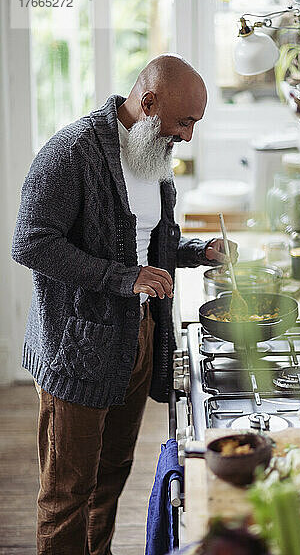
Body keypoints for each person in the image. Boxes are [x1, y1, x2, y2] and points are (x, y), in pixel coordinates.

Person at [11, 54, 238, 555]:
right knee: (67, 495)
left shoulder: (151, 156)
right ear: (148, 101)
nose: (188, 136)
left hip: (137, 338)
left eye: (195, 124)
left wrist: (199, 253)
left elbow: (142, 247)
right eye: (184, 122)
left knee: (111, 478)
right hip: (77, 349)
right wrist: (123, 278)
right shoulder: (72, 152)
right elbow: (30, 243)